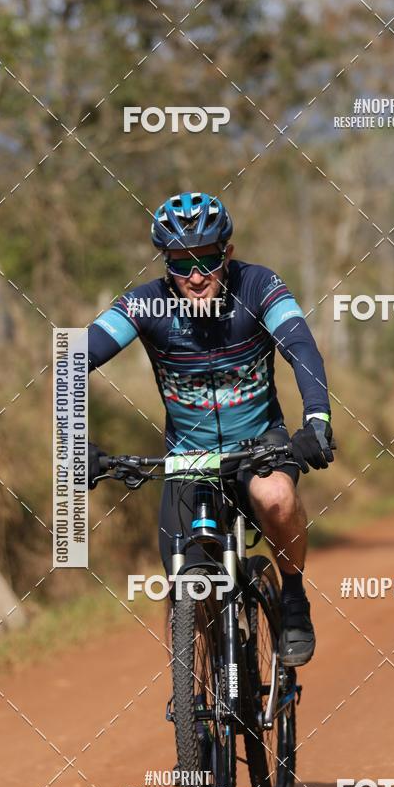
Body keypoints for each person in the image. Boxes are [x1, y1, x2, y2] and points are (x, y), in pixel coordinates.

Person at [86, 191, 334, 665]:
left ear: (229, 253)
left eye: (208, 260)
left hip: (260, 445)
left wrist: (317, 419)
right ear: (165, 263)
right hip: (188, 459)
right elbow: (72, 361)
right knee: (189, 590)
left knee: (275, 498)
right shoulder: (146, 304)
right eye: (181, 264)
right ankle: (200, 715)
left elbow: (301, 346)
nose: (196, 276)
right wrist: (71, 441)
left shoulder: (259, 286)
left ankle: (294, 598)